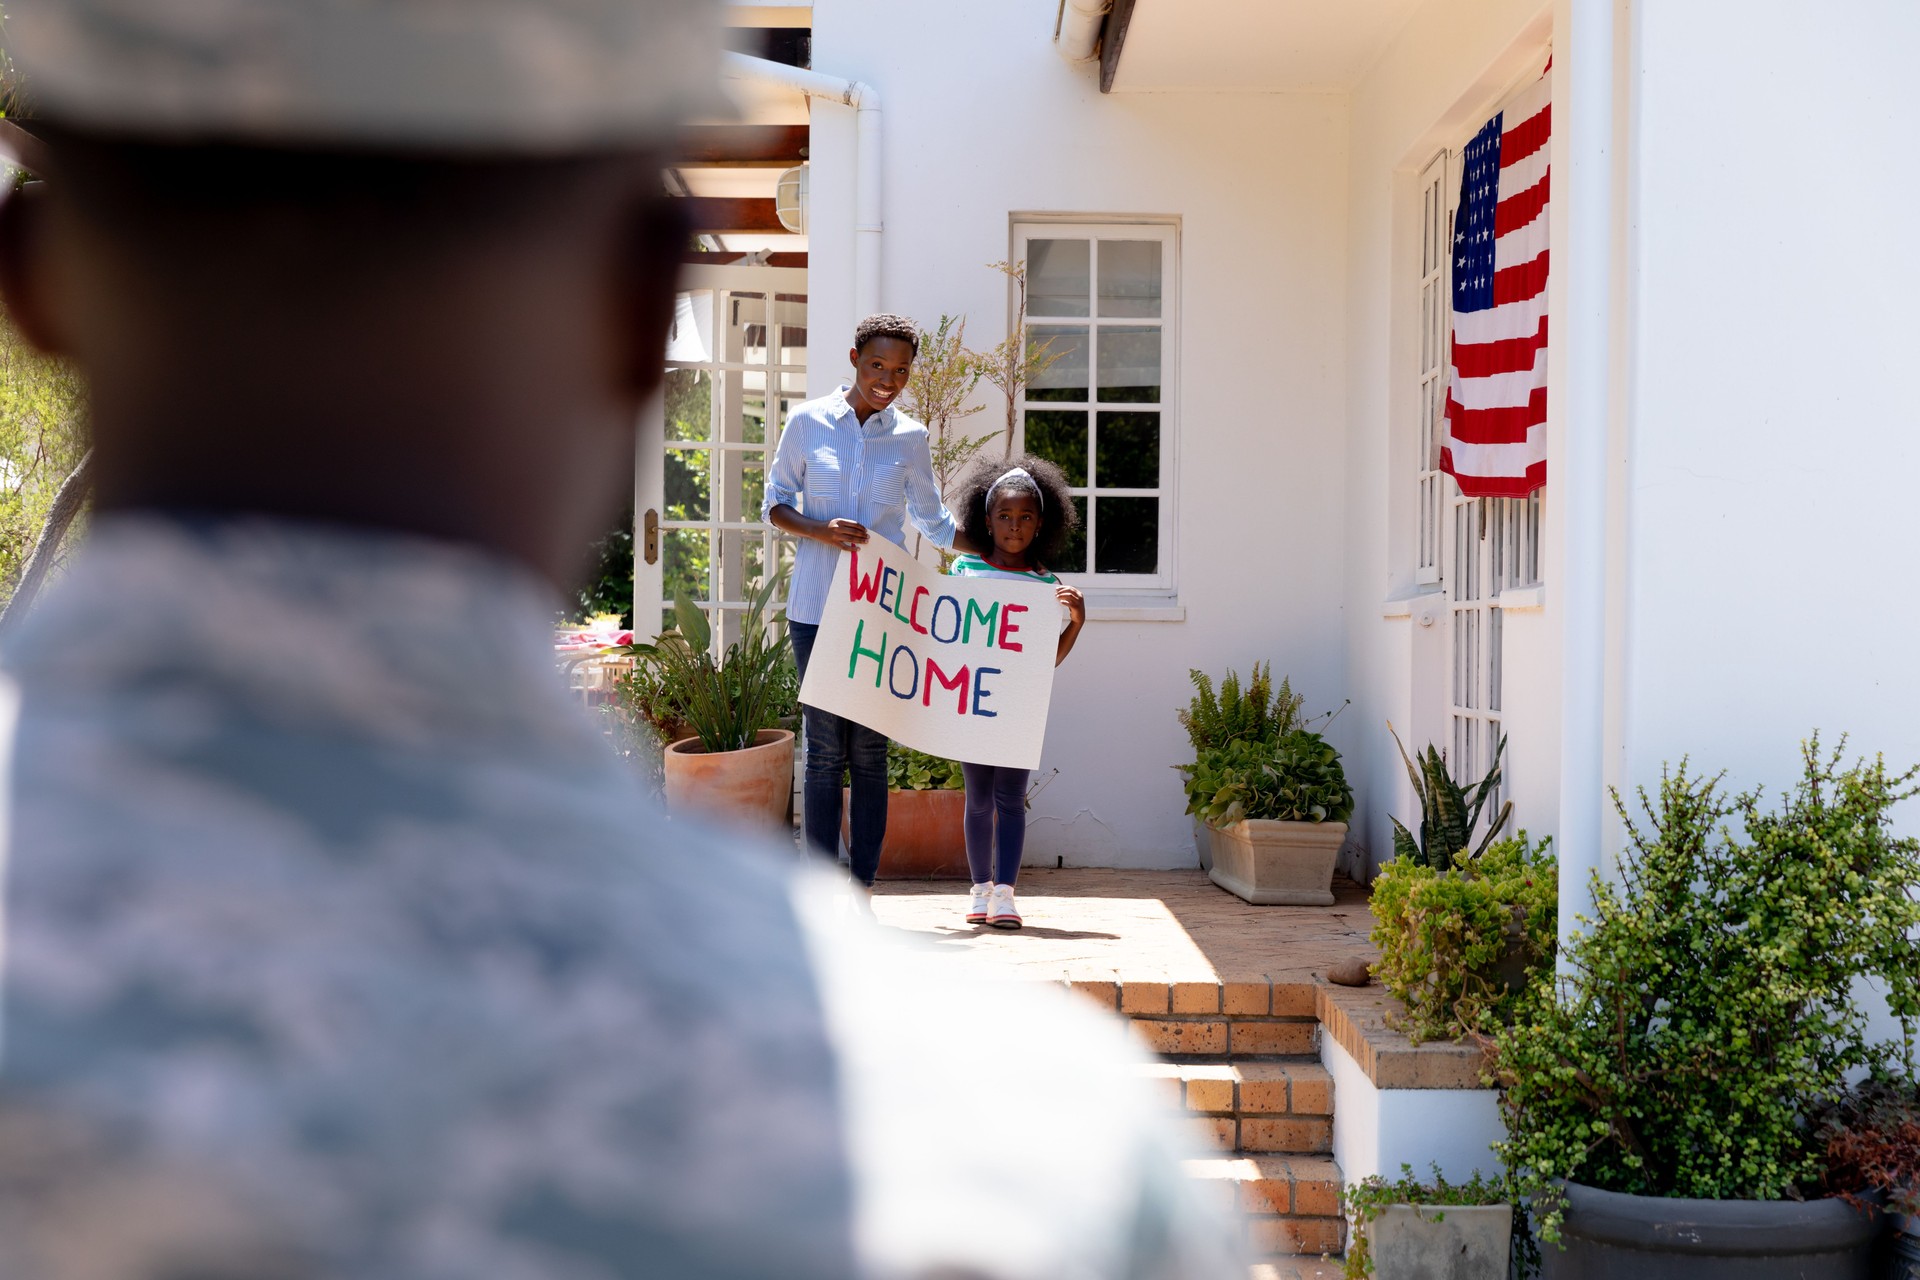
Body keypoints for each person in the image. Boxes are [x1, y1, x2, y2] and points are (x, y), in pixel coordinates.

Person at [0, 3, 1241, 1279]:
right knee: (830, 762)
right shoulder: (1016, 1165)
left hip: (883, 623)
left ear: (34, 275)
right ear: (640, 299)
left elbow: (931, 529)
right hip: (836, 636)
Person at [763, 314, 976, 888]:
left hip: (881, 611)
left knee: (870, 754)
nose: (888, 379)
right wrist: (819, 530)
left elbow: (932, 521)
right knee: (826, 750)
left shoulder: (910, 437)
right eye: (878, 365)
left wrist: (1006, 555)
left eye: (900, 370)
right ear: (854, 357)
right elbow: (775, 503)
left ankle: (862, 886)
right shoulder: (807, 423)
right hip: (816, 609)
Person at [945, 455, 1086, 930]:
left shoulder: (1047, 585)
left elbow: (1044, 661)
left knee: (1010, 799)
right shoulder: (965, 570)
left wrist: (1076, 626)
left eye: (1026, 517)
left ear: (1041, 523)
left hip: (1018, 706)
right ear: (987, 520)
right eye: (1004, 516)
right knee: (977, 798)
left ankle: (1006, 894)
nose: (1014, 526)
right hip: (974, 702)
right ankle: (980, 888)